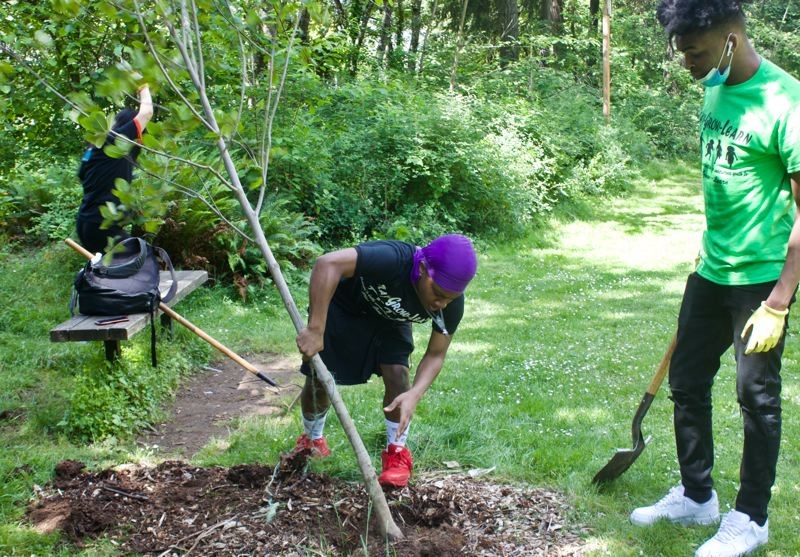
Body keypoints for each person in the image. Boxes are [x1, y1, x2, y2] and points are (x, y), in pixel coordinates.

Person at [630, 2, 800, 556]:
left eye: (695, 52)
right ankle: (697, 494)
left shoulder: (786, 101)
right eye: (680, 52)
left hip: (761, 278)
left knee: (756, 396)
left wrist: (778, 301)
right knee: (686, 379)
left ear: (731, 38)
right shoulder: (713, 84)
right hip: (711, 268)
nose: (686, 63)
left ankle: (751, 518)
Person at [293, 234, 478, 488]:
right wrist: (315, 329)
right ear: (423, 269)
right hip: (346, 307)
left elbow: (436, 354)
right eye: (437, 294)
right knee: (318, 379)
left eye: (450, 298)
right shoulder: (393, 258)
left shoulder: (449, 304)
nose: (441, 304)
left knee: (398, 376)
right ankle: (313, 440)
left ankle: (397, 453)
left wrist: (416, 393)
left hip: (392, 319)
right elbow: (328, 264)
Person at [76, 83, 153, 254]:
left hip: (86, 222)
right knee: (143, 259)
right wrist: (143, 85)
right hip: (102, 226)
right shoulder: (115, 141)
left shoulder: (93, 148)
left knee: (108, 272)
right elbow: (147, 112)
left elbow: (82, 177)